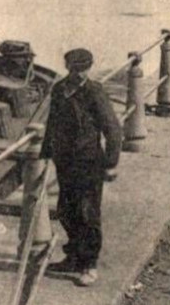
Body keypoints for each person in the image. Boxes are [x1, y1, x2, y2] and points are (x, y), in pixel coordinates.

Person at [39, 47, 123, 287]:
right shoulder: (59, 90)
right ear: (68, 68)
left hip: (89, 162)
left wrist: (111, 163)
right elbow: (52, 123)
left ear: (89, 68)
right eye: (75, 69)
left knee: (88, 213)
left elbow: (113, 129)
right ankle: (73, 256)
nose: (80, 74)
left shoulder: (94, 92)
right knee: (66, 210)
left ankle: (89, 264)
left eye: (83, 69)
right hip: (65, 162)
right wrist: (46, 152)